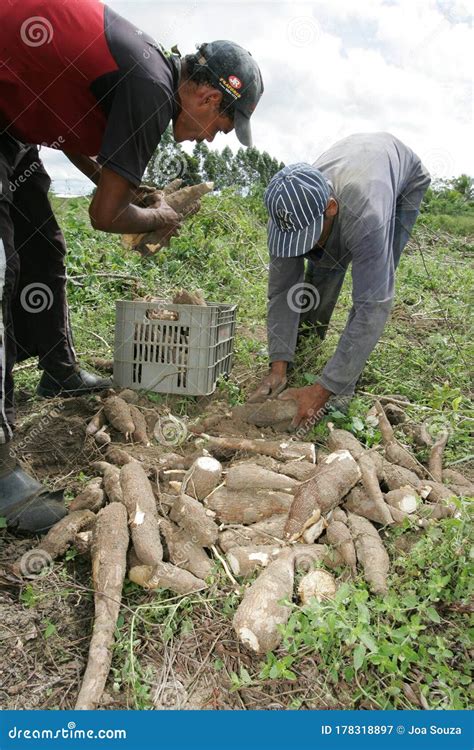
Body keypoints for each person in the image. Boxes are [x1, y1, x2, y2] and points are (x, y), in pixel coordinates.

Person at [0, 0, 263, 533]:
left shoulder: (145, 76)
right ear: (208, 96)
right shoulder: (151, 89)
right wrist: (155, 213)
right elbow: (105, 217)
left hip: (14, 121)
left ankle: (58, 370)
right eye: (221, 124)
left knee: (41, 245)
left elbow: (78, 141)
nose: (212, 136)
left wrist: (131, 191)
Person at [249, 132, 430, 429]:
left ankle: (341, 382)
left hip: (401, 182)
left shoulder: (367, 216)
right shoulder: (287, 211)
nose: (301, 250)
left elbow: (372, 306)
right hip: (353, 172)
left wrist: (323, 390)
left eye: (306, 238)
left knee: (374, 285)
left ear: (330, 207)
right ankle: (307, 348)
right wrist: (278, 366)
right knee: (323, 265)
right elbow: (282, 290)